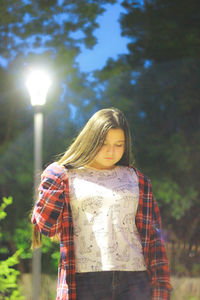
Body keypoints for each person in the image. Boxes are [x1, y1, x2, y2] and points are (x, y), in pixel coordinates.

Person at [31, 107, 172, 300]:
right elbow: (47, 227)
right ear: (91, 140)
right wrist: (53, 177)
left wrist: (162, 287)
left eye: (118, 144)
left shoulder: (137, 180)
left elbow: (154, 237)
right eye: (104, 143)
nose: (111, 151)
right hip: (85, 280)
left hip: (136, 279)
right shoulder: (65, 176)